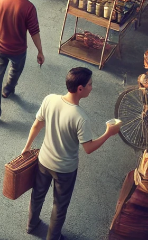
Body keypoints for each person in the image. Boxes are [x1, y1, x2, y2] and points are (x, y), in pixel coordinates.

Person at [22, 67, 122, 240]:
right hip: (65, 170)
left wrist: (27, 147)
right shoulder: (80, 117)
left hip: (44, 161)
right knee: (59, 206)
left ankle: (31, 225)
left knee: (37, 195)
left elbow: (37, 125)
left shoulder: (50, 99)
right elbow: (88, 148)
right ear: (80, 89)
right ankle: (53, 237)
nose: (92, 87)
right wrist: (108, 133)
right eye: (90, 84)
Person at [0, 0, 44, 126]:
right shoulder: (29, 8)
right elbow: (34, 32)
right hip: (18, 51)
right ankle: (9, 88)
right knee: (15, 70)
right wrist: (40, 51)